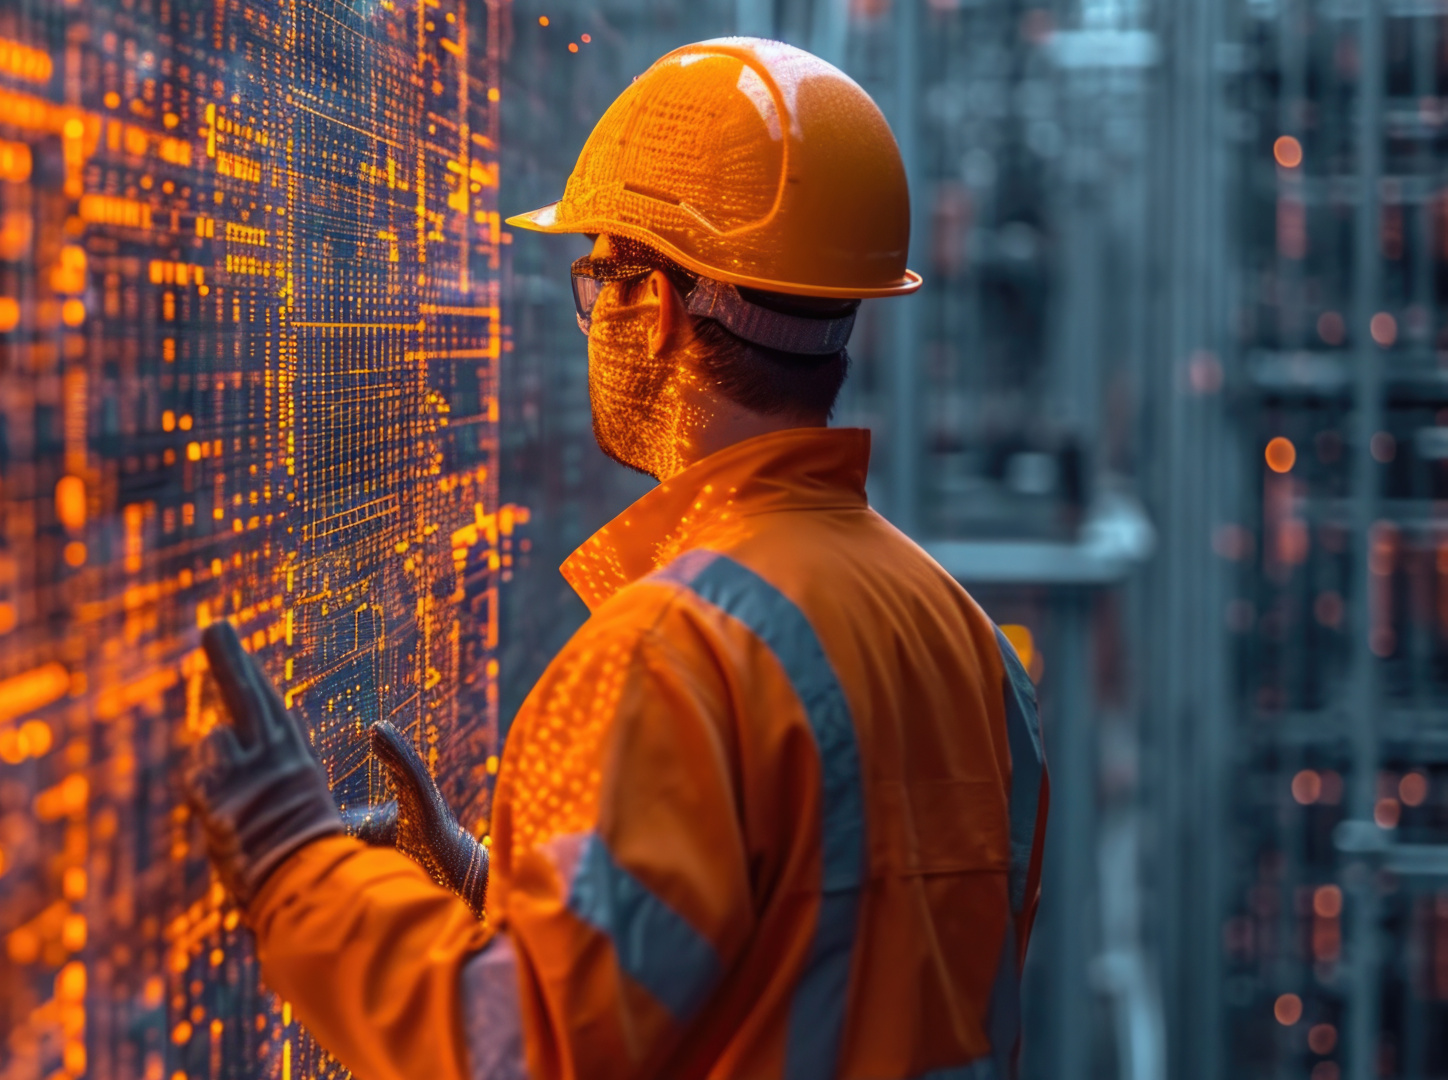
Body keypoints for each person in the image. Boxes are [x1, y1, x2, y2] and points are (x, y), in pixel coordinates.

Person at [187, 37, 1049, 1080]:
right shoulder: (965, 643)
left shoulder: (674, 658)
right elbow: (820, 962)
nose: (592, 316)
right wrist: (494, 891)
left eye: (597, 279)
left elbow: (517, 1061)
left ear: (651, 308)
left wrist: (295, 871)